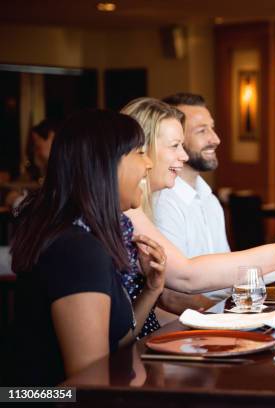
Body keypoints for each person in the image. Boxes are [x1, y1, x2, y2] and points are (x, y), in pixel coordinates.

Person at [3, 110, 166, 386]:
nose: (149, 163)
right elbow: (88, 387)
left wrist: (151, 289)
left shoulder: (88, 237)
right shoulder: (78, 251)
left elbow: (116, 340)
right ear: (106, 165)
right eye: (139, 152)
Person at [120, 98, 275, 298]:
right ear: (142, 150)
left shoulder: (142, 204)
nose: (183, 157)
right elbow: (186, 277)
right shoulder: (128, 207)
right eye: (175, 145)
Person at [154, 93, 229, 311]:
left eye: (212, 128)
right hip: (188, 333)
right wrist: (226, 319)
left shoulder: (210, 200)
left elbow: (225, 278)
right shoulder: (163, 203)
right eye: (201, 130)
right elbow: (172, 296)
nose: (215, 139)